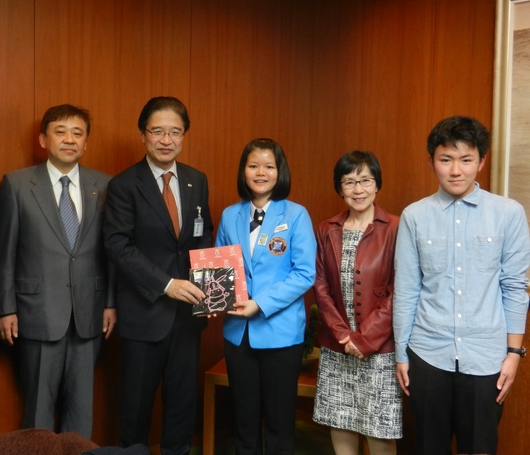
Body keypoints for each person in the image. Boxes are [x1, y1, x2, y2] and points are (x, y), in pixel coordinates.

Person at [393, 116, 530, 455]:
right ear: (431, 162)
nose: (456, 170)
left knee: (479, 448)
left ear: (481, 162)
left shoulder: (508, 213)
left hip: (486, 357)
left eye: (466, 159)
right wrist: (401, 354)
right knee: (428, 447)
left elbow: (514, 287)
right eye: (445, 159)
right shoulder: (414, 215)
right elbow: (407, 288)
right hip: (426, 353)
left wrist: (513, 353)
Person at [0, 104, 116, 438]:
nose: (69, 139)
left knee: (81, 410)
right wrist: (5, 309)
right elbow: (4, 254)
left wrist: (110, 302)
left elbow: (111, 253)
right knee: (37, 411)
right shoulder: (17, 184)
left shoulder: (105, 185)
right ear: (43, 139)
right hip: (36, 312)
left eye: (78, 133)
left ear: (86, 143)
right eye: (60, 131)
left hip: (89, 314)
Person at [103, 96, 213, 454]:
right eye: (157, 131)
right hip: (144, 312)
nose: (166, 139)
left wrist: (212, 293)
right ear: (143, 135)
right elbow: (119, 246)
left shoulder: (197, 180)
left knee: (182, 404)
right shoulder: (123, 185)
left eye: (175, 132)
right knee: (136, 408)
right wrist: (167, 285)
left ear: (184, 136)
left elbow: (203, 239)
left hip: (187, 317)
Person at [215, 138, 316, 455]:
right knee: (243, 420)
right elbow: (219, 267)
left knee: (279, 421)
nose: (261, 172)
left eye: (269, 166)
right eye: (253, 165)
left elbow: (304, 273)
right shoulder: (230, 214)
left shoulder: (297, 214)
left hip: (281, 333)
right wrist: (212, 297)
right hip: (238, 334)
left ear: (279, 171)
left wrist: (260, 304)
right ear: (243, 171)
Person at [312, 151, 401, 455]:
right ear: (340, 189)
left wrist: (365, 339)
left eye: (365, 181)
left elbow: (399, 290)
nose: (358, 189)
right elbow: (321, 287)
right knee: (341, 422)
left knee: (379, 430)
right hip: (338, 347)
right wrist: (343, 334)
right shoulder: (327, 229)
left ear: (377, 185)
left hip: (380, 349)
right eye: (349, 182)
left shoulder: (395, 228)